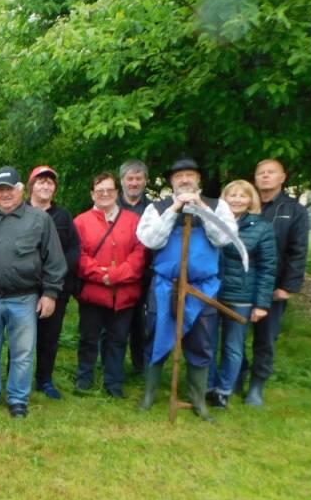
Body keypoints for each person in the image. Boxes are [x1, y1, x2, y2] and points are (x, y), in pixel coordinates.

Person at [137, 157, 237, 421]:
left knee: (201, 343)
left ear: (198, 179)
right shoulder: (157, 208)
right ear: (171, 181)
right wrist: (175, 209)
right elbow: (150, 240)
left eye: (190, 175)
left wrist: (201, 208)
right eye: (179, 176)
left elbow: (224, 238)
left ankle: (198, 401)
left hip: (203, 289)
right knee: (156, 337)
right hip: (165, 287)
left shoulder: (217, 206)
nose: (184, 180)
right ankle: (149, 394)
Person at [0, 167, 66, 418]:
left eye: (10, 189)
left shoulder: (39, 220)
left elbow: (55, 260)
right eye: (0, 189)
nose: (5, 194)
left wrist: (50, 293)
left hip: (24, 297)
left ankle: (18, 399)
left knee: (23, 353)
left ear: (21, 189)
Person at [73, 172, 147, 397]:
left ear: (117, 192)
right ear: (92, 194)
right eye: (99, 190)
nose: (104, 194)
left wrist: (114, 275)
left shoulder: (133, 220)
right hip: (93, 293)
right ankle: (84, 377)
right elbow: (78, 256)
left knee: (118, 339)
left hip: (124, 293)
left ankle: (114, 381)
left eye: (109, 190)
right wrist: (100, 275)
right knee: (88, 338)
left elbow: (139, 254)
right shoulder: (81, 222)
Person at [207, 180, 276, 409]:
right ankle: (208, 386)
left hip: (241, 297)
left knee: (233, 346)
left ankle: (224, 391)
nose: (236, 200)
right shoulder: (213, 222)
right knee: (207, 343)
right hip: (212, 293)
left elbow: (267, 268)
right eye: (232, 195)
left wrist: (262, 304)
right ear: (224, 198)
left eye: (242, 195)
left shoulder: (262, 227)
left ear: (250, 200)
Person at [246, 158, 309, 406]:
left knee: (266, 337)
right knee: (235, 335)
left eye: (271, 172)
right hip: (243, 283)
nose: (265, 176)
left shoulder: (294, 210)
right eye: (261, 172)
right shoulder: (245, 205)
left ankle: (257, 385)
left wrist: (288, 286)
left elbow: (298, 251)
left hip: (273, 285)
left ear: (282, 178)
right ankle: (236, 377)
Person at [26, 166, 80, 399]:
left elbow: (74, 249)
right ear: (31, 186)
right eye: (41, 181)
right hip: (25, 286)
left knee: (50, 335)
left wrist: (56, 273)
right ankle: (19, 378)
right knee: (21, 336)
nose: (46, 186)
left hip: (56, 286)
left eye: (50, 182)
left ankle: (45, 380)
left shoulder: (63, 216)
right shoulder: (20, 211)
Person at [116, 159, 153, 375]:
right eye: (130, 178)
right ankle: (113, 365)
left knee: (142, 322)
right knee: (114, 324)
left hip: (146, 273)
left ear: (145, 181)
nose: (134, 183)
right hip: (117, 273)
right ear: (122, 181)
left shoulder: (153, 209)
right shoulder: (111, 205)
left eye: (138, 178)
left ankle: (140, 365)